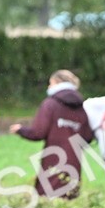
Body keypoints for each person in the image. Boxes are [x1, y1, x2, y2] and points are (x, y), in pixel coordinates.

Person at [10, 70, 94, 200]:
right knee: (69, 200)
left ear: (57, 83)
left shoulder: (50, 104)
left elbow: (38, 132)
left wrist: (21, 130)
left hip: (53, 162)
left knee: (46, 199)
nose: (48, 87)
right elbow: (87, 137)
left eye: (50, 83)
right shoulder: (81, 108)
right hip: (74, 164)